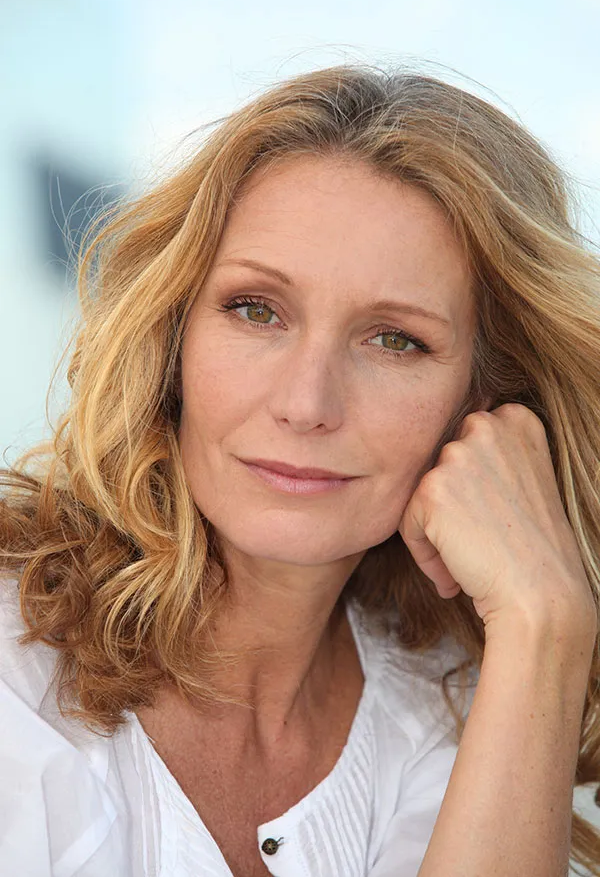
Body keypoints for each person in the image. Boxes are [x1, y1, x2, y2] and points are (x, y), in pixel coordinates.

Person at [0, 62, 599, 877]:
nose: (306, 402)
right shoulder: (14, 657)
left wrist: (543, 622)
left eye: (395, 339)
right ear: (174, 337)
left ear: (485, 406)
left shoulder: (451, 712)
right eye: (256, 309)